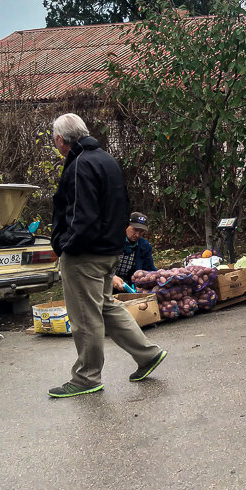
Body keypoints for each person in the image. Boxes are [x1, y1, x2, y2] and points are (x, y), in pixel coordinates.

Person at [48, 114, 166, 398]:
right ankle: (148, 354)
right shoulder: (106, 159)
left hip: (85, 253)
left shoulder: (79, 165)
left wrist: (65, 244)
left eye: (55, 140)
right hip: (110, 248)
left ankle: (86, 377)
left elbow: (81, 214)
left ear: (61, 140)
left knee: (85, 316)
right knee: (105, 305)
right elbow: (119, 204)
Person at [112, 212, 156, 291]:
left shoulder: (145, 246)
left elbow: (149, 269)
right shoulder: (112, 240)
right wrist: (111, 277)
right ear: (126, 226)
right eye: (135, 230)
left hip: (126, 285)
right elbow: (97, 264)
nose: (137, 235)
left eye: (141, 231)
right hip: (105, 281)